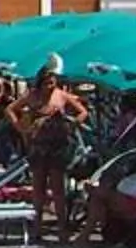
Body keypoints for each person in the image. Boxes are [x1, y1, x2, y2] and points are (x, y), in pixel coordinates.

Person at [10, 57, 87, 231]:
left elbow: (82, 112)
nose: (50, 86)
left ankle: (61, 227)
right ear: (41, 83)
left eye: (53, 83)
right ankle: (37, 225)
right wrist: (21, 128)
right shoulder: (32, 96)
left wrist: (73, 124)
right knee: (38, 187)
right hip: (38, 144)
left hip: (58, 144)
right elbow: (11, 109)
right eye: (47, 83)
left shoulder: (61, 95)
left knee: (58, 188)